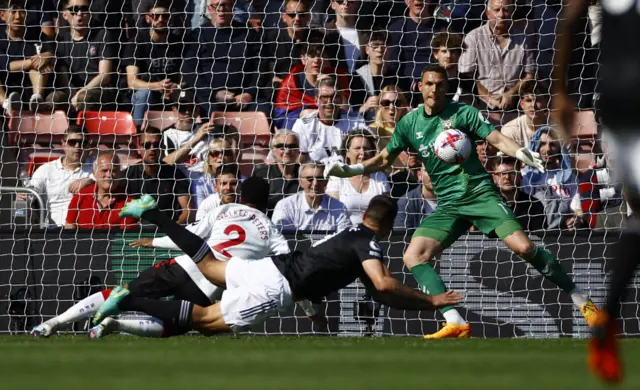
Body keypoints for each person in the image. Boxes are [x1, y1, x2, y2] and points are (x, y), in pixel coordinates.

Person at [325, 64, 604, 338]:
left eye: (440, 84)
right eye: (429, 84)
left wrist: (522, 154)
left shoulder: (464, 113)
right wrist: (354, 170)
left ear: (447, 88)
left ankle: (584, 303)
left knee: (525, 248)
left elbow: (496, 138)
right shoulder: (409, 123)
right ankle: (455, 321)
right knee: (413, 256)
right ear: (420, 87)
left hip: (479, 194)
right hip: (448, 204)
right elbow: (385, 158)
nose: (434, 89)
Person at [90, 194, 463, 337]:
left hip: (270, 266)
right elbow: (382, 286)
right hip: (277, 288)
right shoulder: (367, 244)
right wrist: (430, 302)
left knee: (207, 264)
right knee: (205, 321)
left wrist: (414, 302)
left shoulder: (348, 236)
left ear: (365, 214)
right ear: (389, 224)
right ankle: (128, 300)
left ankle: (153, 213)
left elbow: (381, 294)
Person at [31, 177, 307, 338]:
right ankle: (115, 324)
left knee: (121, 291)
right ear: (265, 201)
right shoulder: (271, 230)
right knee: (172, 327)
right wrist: (310, 310)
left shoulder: (225, 209)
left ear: (242, 194)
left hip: (184, 265)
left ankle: (52, 323)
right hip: (209, 285)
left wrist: (154, 241)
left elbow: (190, 235)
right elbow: (285, 267)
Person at [553, 0, 635, 382]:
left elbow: (571, 16)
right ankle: (607, 319)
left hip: (617, 99)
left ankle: (606, 321)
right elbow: (572, 15)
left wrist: (562, 92)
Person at [124, 0, 184, 127]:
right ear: (147, 19)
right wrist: (157, 86)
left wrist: (176, 87)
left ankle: (184, 131)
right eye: (155, 16)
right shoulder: (137, 43)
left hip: (172, 92)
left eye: (165, 16)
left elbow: (185, 77)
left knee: (187, 93)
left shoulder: (179, 43)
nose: (161, 19)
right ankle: (139, 132)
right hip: (146, 92)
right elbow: (132, 82)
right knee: (144, 94)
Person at [27, 124, 93, 226]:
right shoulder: (46, 170)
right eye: (72, 142)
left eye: (83, 143)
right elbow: (30, 194)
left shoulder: (97, 167)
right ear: (63, 144)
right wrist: (24, 195)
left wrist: (91, 180)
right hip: (56, 231)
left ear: (88, 146)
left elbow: (115, 176)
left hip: (88, 232)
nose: (77, 146)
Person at [0, 0, 55, 113]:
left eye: (22, 12)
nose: (18, 17)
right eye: (13, 11)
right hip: (7, 86)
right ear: (2, 15)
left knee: (41, 67)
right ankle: (7, 104)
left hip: (29, 89)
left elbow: (53, 50)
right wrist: (33, 61)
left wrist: (48, 55)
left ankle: (37, 101)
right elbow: (5, 65)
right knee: (37, 63)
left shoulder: (36, 33)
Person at [327, 130, 390, 225]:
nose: (362, 153)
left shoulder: (380, 177)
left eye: (366, 148)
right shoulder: (337, 177)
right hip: (343, 232)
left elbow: (387, 210)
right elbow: (330, 210)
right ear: (347, 153)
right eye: (357, 148)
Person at [65, 152, 138, 230]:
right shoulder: (80, 197)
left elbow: (124, 238)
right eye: (104, 170)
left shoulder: (130, 203)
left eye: (114, 170)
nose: (109, 175)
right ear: (94, 173)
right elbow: (70, 229)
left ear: (119, 173)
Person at [272, 161, 350, 232]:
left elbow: (343, 240)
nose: (315, 183)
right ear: (300, 182)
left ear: (326, 182)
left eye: (320, 179)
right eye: (310, 179)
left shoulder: (339, 208)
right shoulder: (285, 206)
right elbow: (280, 238)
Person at [253, 130, 301, 214]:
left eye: (292, 146)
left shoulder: (307, 176)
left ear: (298, 150)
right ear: (273, 151)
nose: (287, 151)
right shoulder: (262, 176)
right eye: (281, 147)